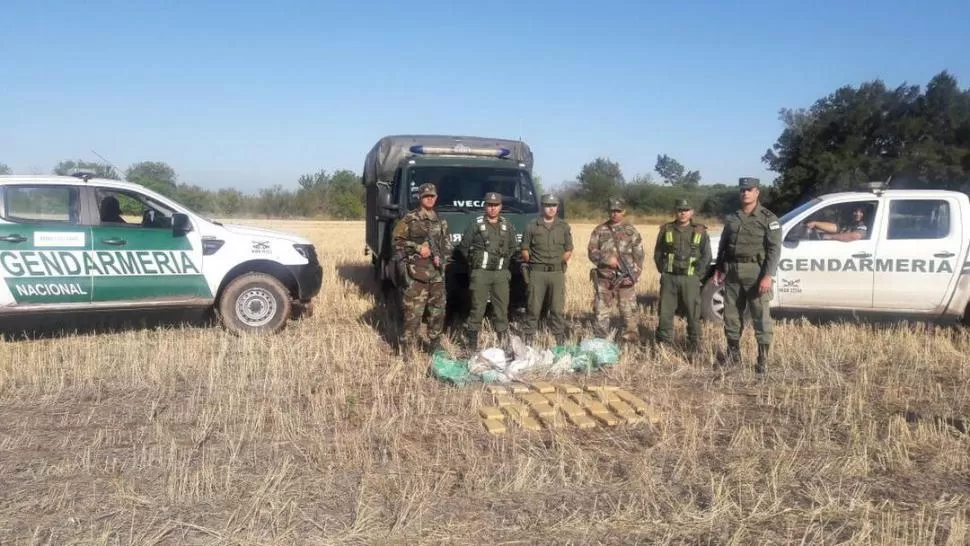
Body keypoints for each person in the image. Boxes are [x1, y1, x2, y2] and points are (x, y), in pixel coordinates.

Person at [713, 177, 782, 374]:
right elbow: (724, 245)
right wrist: (719, 267)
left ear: (757, 192)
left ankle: (762, 360)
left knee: (761, 317)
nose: (745, 193)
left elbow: (774, 250)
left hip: (756, 272)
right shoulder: (733, 218)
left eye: (749, 190)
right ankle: (733, 355)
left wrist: (768, 275)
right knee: (731, 315)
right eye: (742, 190)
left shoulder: (769, 218)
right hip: (733, 271)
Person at [391, 182, 453, 354]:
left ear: (436, 198)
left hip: (437, 275)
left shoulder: (440, 220)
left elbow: (447, 243)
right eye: (426, 196)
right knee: (413, 314)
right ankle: (407, 349)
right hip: (416, 275)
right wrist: (418, 248)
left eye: (432, 196)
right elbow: (396, 241)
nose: (429, 199)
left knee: (437, 313)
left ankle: (434, 345)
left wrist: (444, 258)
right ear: (420, 197)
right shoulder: (410, 219)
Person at [458, 192, 519, 351]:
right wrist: (474, 264)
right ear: (485, 206)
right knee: (477, 307)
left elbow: (513, 247)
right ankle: (471, 345)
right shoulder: (476, 224)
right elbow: (464, 247)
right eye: (490, 205)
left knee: (501, 308)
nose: (492, 208)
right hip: (481, 273)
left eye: (495, 205)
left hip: (500, 274)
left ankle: (504, 344)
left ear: (500, 207)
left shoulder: (507, 226)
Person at [653, 198, 711, 353]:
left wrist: (698, 275)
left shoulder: (699, 230)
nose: (683, 213)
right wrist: (663, 271)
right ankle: (664, 345)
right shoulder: (666, 229)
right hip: (669, 278)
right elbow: (658, 253)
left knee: (693, 313)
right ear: (676, 212)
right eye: (680, 210)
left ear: (691, 212)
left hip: (690, 279)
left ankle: (694, 344)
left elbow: (707, 256)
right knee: (665, 312)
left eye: (686, 210)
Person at [587, 197, 644, 342]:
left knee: (629, 311)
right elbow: (592, 252)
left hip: (626, 278)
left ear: (624, 211)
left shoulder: (631, 231)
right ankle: (600, 341)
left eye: (618, 211)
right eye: (612, 211)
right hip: (605, 279)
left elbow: (639, 254)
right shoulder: (599, 230)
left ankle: (631, 339)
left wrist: (635, 274)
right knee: (601, 311)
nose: (615, 214)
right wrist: (607, 260)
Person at [519, 193, 573, 346]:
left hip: (556, 273)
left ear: (557, 207)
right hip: (537, 272)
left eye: (554, 205)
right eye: (548, 206)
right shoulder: (531, 226)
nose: (551, 209)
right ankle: (529, 337)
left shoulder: (563, 226)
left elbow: (569, 249)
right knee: (533, 307)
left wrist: (557, 262)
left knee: (557, 308)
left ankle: (559, 337)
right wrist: (536, 263)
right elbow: (524, 249)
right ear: (542, 207)